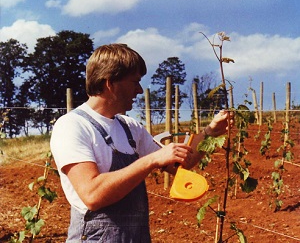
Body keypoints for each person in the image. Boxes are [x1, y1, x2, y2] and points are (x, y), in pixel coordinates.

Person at [50, 43, 233, 242]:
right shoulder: (72, 126)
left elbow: (181, 164)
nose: (138, 90)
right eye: (134, 82)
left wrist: (210, 132)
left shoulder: (130, 127)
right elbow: (92, 195)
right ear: (110, 83)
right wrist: (151, 160)